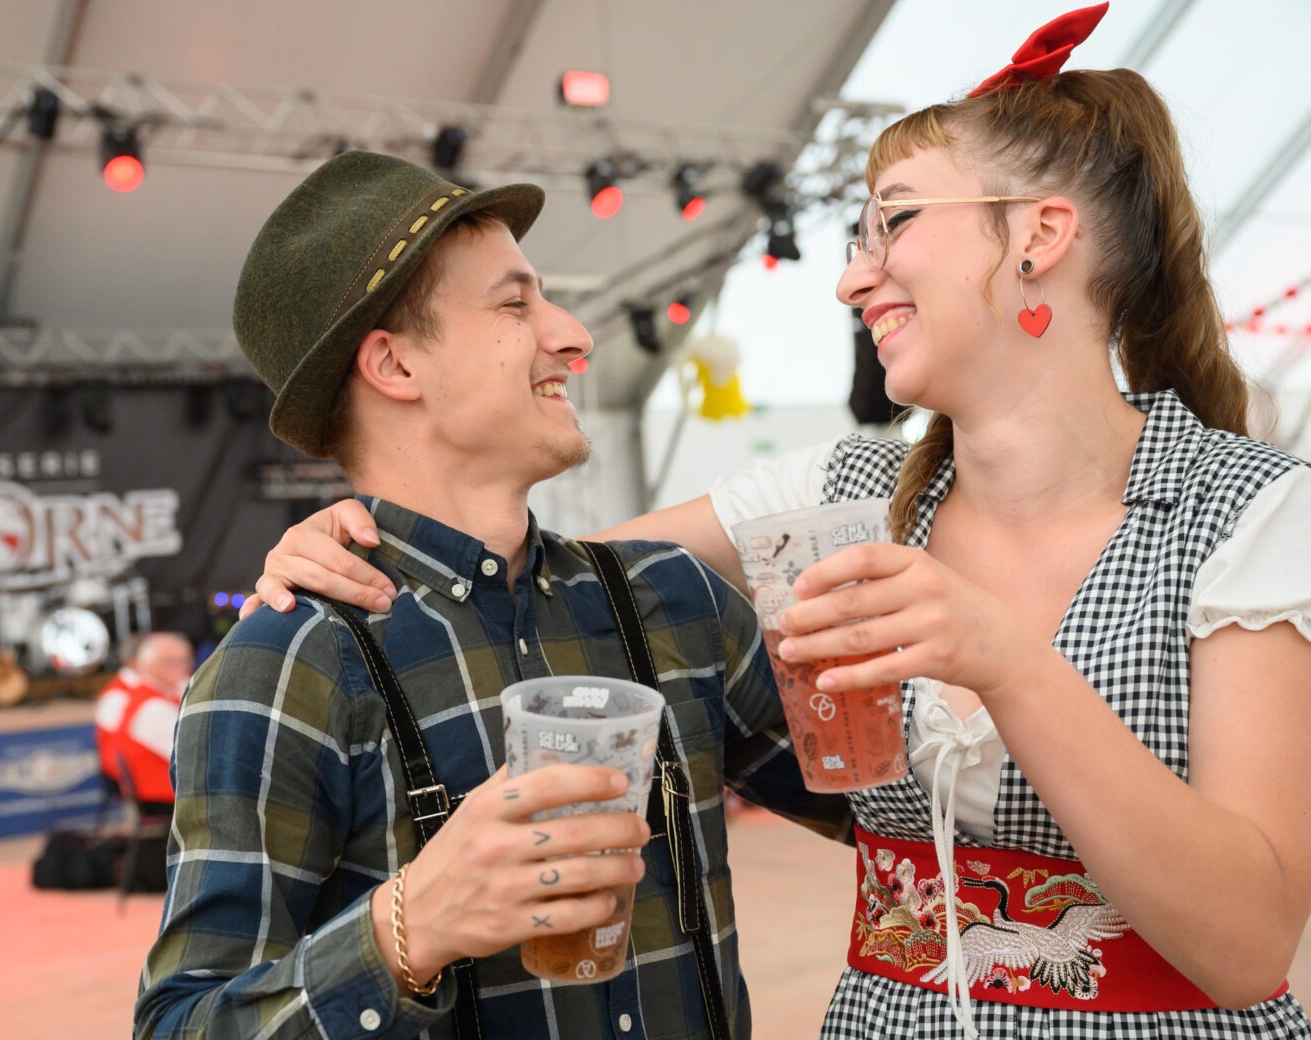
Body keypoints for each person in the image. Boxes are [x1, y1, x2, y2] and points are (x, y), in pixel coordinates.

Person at [244, 6, 1311, 1037]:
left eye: (893, 221)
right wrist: (366, 538)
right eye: (854, 236)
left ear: (1039, 232)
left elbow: (1245, 946)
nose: (850, 277)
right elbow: (546, 576)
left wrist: (1007, 661)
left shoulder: (1244, 509)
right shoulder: (845, 495)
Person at [134, 150, 848, 1040]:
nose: (575, 337)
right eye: (516, 305)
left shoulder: (672, 599)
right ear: (395, 366)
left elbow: (901, 812)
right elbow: (182, 1022)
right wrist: (408, 929)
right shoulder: (285, 665)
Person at [93, 631, 195, 813]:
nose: (181, 668)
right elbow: (193, 752)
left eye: (184, 660)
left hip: (164, 787)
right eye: (170, 662)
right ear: (143, 664)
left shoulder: (157, 694)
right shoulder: (149, 705)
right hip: (162, 793)